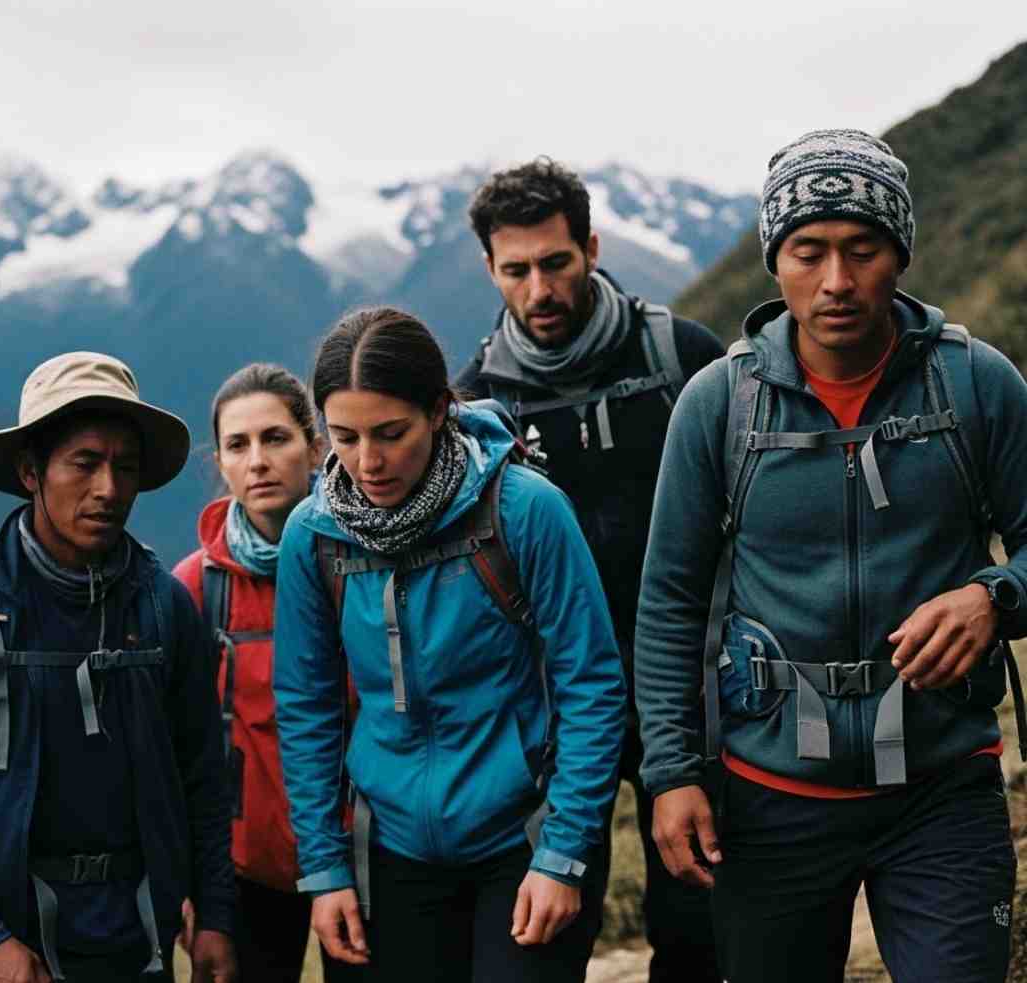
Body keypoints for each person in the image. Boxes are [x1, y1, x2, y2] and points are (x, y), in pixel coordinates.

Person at [636, 129, 1027, 983]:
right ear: (776, 260)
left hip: (942, 787)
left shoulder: (976, 383)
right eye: (808, 251)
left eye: (863, 249)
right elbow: (669, 601)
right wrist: (670, 771)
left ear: (902, 254)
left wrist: (995, 596)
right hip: (770, 796)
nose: (837, 280)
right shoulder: (719, 404)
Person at [273, 307, 627, 982]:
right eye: (344, 436)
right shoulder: (313, 537)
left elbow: (592, 684)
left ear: (439, 411)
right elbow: (306, 706)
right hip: (392, 849)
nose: (368, 461)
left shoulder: (526, 510)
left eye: (391, 433)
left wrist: (564, 853)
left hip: (523, 838)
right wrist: (323, 868)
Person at [455, 157, 724, 981]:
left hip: (689, 687)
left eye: (556, 262)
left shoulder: (683, 359)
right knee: (549, 935)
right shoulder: (475, 408)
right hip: (554, 704)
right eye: (516, 270)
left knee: (698, 926)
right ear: (489, 269)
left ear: (593, 249)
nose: (539, 288)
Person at [0, 352, 237, 983]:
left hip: (136, 946)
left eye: (125, 467)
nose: (109, 488)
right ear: (30, 471)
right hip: (1, 952)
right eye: (85, 463)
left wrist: (214, 915)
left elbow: (203, 775)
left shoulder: (164, 607)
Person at [173, 363, 359, 983]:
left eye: (275, 438)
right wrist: (192, 887)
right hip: (244, 872)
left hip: (366, 853)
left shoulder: (364, 559)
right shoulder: (197, 589)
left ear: (315, 448)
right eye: (238, 445)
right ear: (220, 464)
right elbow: (177, 748)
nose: (257, 461)